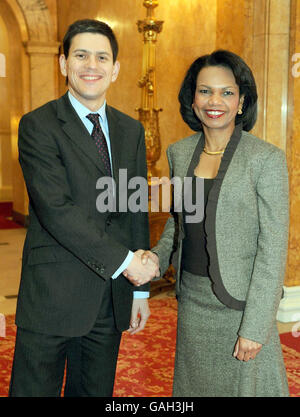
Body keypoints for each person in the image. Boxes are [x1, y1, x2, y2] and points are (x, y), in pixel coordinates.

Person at [9, 19, 159, 397]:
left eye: (101, 57)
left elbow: (134, 206)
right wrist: (128, 263)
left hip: (108, 301)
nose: (91, 65)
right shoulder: (38, 126)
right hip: (51, 297)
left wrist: (138, 289)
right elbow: (56, 210)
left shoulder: (130, 131)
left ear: (115, 68)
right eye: (81, 55)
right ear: (63, 63)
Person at [142, 50, 290, 397]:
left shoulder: (265, 159)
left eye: (227, 92)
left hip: (241, 307)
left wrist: (255, 326)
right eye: (205, 91)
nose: (215, 101)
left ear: (241, 102)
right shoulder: (180, 153)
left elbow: (273, 250)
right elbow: (178, 226)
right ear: (192, 99)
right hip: (193, 304)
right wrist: (154, 260)